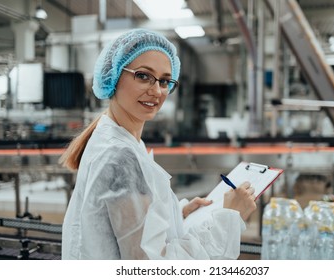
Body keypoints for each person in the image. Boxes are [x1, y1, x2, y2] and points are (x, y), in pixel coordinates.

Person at [60, 28, 257, 260]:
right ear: (113, 75)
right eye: (143, 76)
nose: (156, 91)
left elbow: (128, 228)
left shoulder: (124, 140)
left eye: (164, 81)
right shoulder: (119, 157)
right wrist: (229, 218)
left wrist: (178, 215)